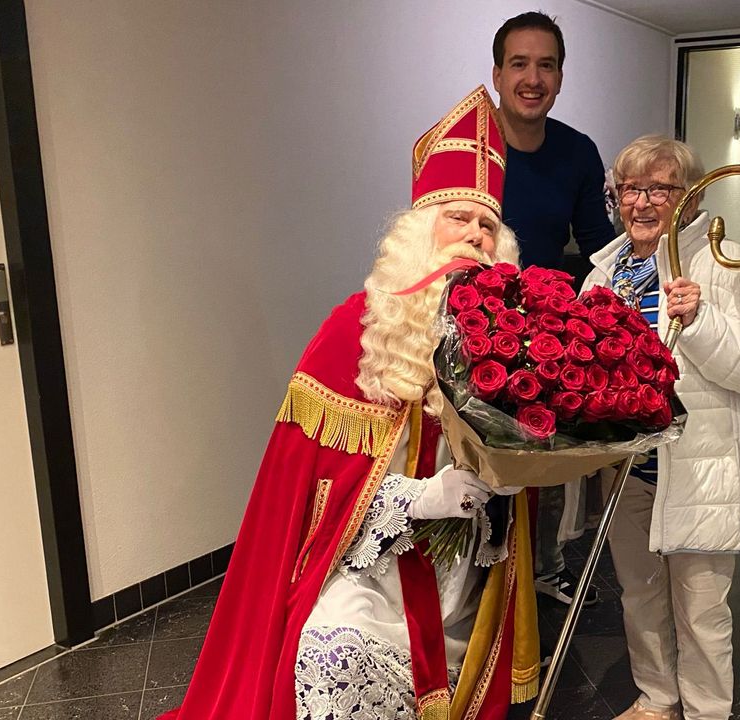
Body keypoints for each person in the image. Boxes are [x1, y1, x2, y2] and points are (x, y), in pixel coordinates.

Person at [162, 86, 539, 720]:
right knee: (333, 647)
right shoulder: (357, 330)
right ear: (421, 232)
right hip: (369, 567)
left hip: (464, 574)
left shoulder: (514, 335)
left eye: (486, 226)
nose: (473, 236)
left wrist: (496, 488)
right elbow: (317, 495)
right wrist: (422, 498)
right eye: (457, 218)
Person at [581, 135, 740, 720]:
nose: (642, 202)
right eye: (630, 188)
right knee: (640, 598)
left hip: (702, 468)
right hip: (629, 468)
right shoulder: (602, 275)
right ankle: (656, 699)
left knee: (700, 609)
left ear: (691, 197)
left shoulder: (730, 265)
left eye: (659, 188)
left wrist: (702, 319)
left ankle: (706, 712)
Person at [492, 10, 616, 606]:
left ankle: (541, 565)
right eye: (520, 63)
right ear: (497, 74)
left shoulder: (576, 151)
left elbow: (597, 244)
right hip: (470, 324)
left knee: (540, 452)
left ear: (561, 78)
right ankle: (475, 576)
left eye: (546, 65)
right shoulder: (469, 145)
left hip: (540, 325)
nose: (532, 77)